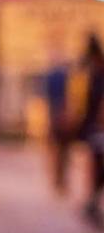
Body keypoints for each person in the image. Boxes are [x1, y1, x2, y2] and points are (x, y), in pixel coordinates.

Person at [78, 35, 104, 229]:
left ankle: (92, 202)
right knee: (97, 166)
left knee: (98, 166)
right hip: (96, 128)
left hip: (99, 128)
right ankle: (92, 202)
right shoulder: (95, 74)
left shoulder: (99, 75)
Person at [44, 44, 73, 196]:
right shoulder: (64, 75)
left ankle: (58, 179)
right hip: (61, 114)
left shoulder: (55, 76)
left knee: (59, 149)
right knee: (62, 149)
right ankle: (60, 179)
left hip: (57, 114)